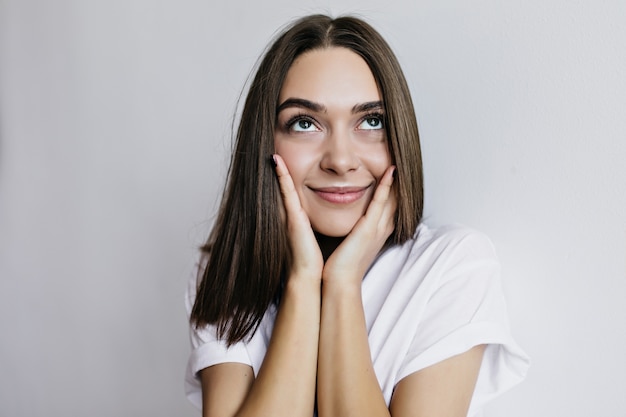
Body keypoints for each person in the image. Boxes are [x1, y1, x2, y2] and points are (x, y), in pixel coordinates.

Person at [185, 14, 529, 417]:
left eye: (371, 121)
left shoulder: (452, 267)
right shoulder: (225, 272)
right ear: (266, 141)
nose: (341, 160)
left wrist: (343, 283)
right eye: (305, 123)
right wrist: (304, 281)